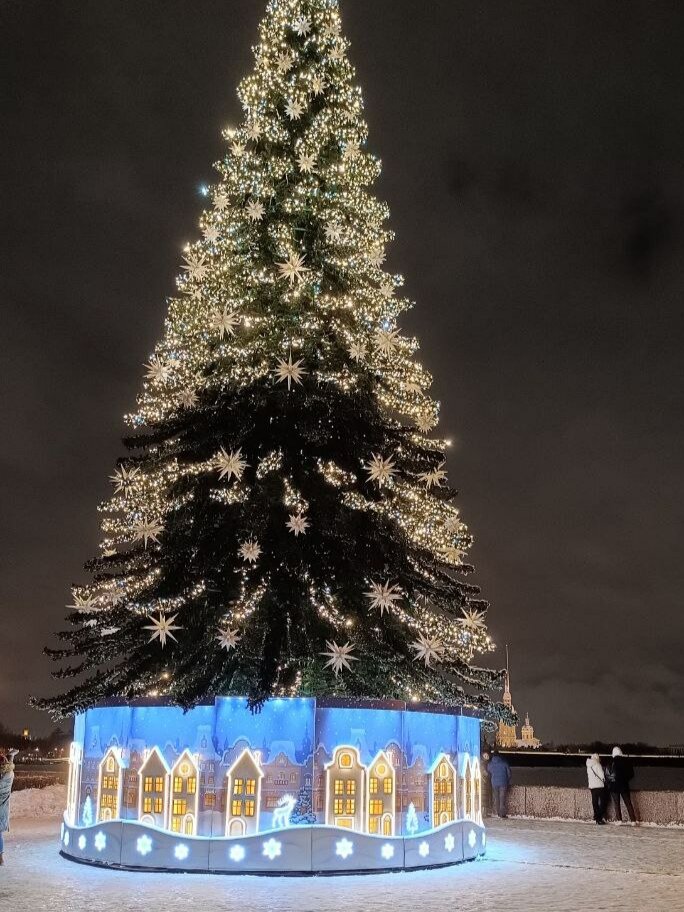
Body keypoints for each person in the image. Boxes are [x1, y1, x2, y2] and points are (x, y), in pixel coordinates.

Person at [606, 746, 637, 824]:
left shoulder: (610, 762)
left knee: (616, 804)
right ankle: (633, 820)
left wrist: (611, 782)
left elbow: (607, 775)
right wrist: (625, 779)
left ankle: (619, 820)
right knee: (628, 803)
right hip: (624, 786)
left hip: (614, 787)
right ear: (620, 752)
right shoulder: (627, 761)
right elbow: (631, 774)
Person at [0, 748, 18, 865]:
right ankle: (0, 857)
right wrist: (11, 756)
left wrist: (10, 756)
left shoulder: (4, 778)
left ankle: (0, 857)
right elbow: (8, 767)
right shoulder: (9, 775)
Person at [488, 750, 511, 818]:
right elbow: (509, 774)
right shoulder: (504, 763)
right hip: (503, 783)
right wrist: (507, 780)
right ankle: (502, 814)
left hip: (494, 783)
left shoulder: (490, 764)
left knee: (496, 798)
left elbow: (488, 773)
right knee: (502, 798)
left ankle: (498, 812)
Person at [586, 753, 607, 824]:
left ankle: (596, 817)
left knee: (595, 802)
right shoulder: (598, 765)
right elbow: (602, 776)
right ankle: (599, 817)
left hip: (592, 786)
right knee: (603, 802)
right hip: (599, 786)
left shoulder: (588, 766)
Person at [481, 750, 492, 817]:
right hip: (483, 783)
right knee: (483, 798)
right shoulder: (483, 764)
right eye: (485, 756)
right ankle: (483, 813)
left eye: (487, 756)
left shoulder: (487, 763)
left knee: (485, 798)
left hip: (485, 782)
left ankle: (484, 813)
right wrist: (489, 775)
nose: (487, 757)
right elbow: (485, 773)